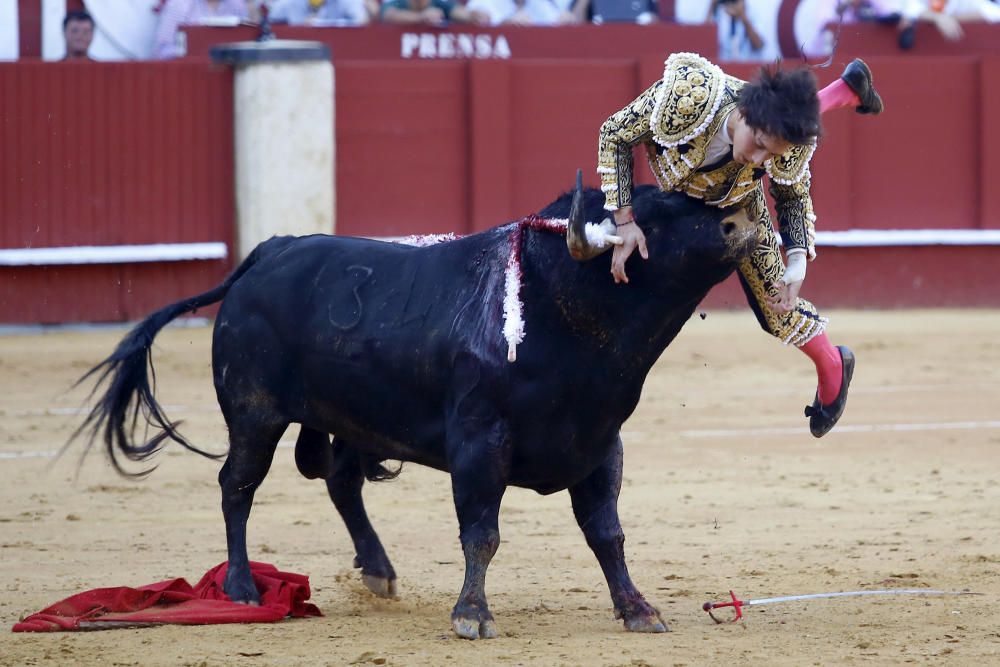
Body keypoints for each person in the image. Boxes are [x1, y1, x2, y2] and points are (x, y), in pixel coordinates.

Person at [595, 52, 883, 437]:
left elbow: (791, 195)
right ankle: (842, 91)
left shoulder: (783, 142)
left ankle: (833, 365)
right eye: (759, 143)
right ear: (745, 114)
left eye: (771, 155)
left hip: (740, 205)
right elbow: (614, 133)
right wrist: (625, 220)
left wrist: (797, 260)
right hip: (673, 196)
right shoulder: (689, 96)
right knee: (611, 248)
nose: (758, 158)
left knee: (778, 307)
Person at [154, 0, 255, 60]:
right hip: (188, 76)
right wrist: (188, 53)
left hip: (228, 77)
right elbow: (161, 49)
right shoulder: (181, 4)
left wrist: (251, 6)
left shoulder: (237, 4)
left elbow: (251, 43)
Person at [705, 0, 775, 61]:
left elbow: (759, 45)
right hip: (721, 68)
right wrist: (712, 6)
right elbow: (704, 41)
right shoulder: (718, 12)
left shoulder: (753, 12)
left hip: (747, 66)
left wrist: (742, 16)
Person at [466, 0, 576, 25]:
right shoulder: (482, 2)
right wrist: (504, 25)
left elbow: (556, 21)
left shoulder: (540, 3)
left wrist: (568, 20)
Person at [381, 0, 491, 25]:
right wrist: (420, 17)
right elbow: (389, 15)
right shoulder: (396, 4)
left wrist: (473, 16)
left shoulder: (440, 4)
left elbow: (458, 12)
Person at [268, 0, 371, 25]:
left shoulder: (347, 1)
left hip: (339, 52)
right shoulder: (288, 4)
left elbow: (362, 21)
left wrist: (319, 23)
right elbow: (268, 25)